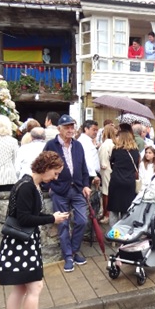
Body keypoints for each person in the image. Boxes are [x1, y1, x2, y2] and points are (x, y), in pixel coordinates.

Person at [0, 151, 69, 309]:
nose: (55, 178)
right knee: (35, 287)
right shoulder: (28, 186)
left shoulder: (29, 184)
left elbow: (28, 214)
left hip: (20, 243)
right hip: (22, 245)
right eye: (54, 173)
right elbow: (24, 219)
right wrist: (51, 219)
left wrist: (50, 216)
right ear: (45, 168)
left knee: (20, 288)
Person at [43, 114, 91, 273]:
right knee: (63, 225)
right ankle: (68, 256)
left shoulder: (78, 146)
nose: (70, 130)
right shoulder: (51, 144)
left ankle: (75, 250)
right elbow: (42, 166)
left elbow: (84, 168)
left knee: (82, 221)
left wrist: (86, 185)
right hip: (59, 191)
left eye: (72, 127)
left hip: (77, 189)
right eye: (67, 127)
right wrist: (48, 184)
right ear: (59, 129)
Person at [107, 124, 140, 226]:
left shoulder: (116, 150)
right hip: (129, 183)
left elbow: (111, 163)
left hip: (116, 182)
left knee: (114, 211)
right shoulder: (135, 151)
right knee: (127, 210)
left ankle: (113, 236)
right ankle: (124, 234)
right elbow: (137, 166)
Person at [98, 124, 117, 224]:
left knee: (106, 193)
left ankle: (106, 214)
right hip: (112, 170)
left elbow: (103, 161)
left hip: (106, 170)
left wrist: (102, 165)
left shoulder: (105, 144)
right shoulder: (114, 143)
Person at [77, 120, 101, 186]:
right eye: (93, 130)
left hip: (90, 174)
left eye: (97, 130)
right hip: (89, 175)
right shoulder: (84, 141)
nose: (96, 132)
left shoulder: (87, 140)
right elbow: (87, 159)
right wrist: (94, 175)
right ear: (86, 129)